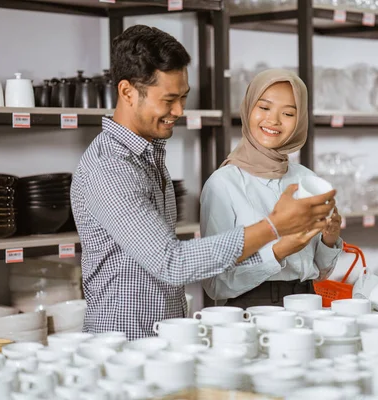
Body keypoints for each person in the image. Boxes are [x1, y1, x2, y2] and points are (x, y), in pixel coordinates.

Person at [70, 26, 336, 340]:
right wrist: (275, 228)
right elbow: (172, 262)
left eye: (183, 98)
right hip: (124, 343)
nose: (179, 111)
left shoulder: (148, 157)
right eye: (169, 99)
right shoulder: (110, 167)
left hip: (162, 339)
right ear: (128, 92)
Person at [200, 69, 343, 308]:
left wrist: (329, 240)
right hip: (252, 310)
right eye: (264, 108)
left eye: (288, 113)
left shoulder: (306, 179)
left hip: (308, 302)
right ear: (248, 108)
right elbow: (215, 283)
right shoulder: (223, 184)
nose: (274, 120)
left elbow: (319, 272)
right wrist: (276, 253)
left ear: (300, 121)